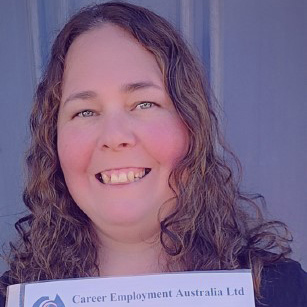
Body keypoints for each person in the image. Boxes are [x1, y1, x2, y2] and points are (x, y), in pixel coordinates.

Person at [0, 1, 306, 306]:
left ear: (191, 126)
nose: (115, 136)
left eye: (144, 104)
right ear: (54, 141)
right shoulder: (11, 298)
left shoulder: (283, 292)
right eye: (85, 111)